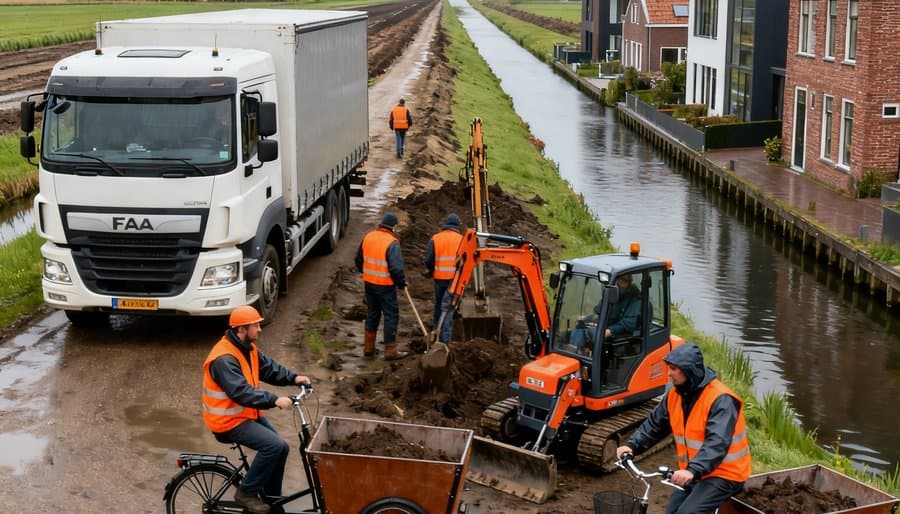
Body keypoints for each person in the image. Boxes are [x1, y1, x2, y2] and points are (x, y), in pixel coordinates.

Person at [615, 343, 750, 514]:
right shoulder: (675, 394)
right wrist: (632, 446)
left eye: (673, 369)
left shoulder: (720, 399)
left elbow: (717, 442)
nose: (669, 373)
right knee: (672, 511)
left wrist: (693, 470)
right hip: (695, 473)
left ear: (689, 371)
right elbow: (655, 425)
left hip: (724, 475)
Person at [202, 305, 311, 514]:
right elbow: (240, 392)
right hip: (227, 422)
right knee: (274, 446)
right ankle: (247, 492)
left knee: (282, 449)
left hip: (244, 415)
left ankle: (272, 500)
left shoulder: (247, 348)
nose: (260, 329)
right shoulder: (223, 359)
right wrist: (274, 400)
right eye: (256, 325)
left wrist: (295, 378)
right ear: (242, 329)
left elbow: (269, 368)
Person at [355, 212, 409, 360]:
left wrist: (366, 272)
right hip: (385, 286)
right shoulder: (392, 242)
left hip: (369, 284)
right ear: (393, 227)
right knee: (391, 315)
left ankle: (368, 348)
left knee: (373, 313)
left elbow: (358, 259)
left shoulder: (369, 237)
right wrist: (401, 282)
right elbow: (396, 268)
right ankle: (390, 350)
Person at [424, 213, 464, 344]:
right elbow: (466, 262)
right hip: (454, 281)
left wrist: (431, 270)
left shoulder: (436, 238)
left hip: (439, 278)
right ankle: (444, 341)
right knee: (448, 310)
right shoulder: (462, 240)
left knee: (439, 306)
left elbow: (429, 259)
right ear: (457, 226)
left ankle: (437, 330)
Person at [604, 274, 641, 339]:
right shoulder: (616, 294)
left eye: (623, 281)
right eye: (617, 280)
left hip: (626, 338)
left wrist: (610, 330)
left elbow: (629, 323)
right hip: (610, 330)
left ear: (629, 283)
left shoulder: (637, 301)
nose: (618, 284)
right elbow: (604, 311)